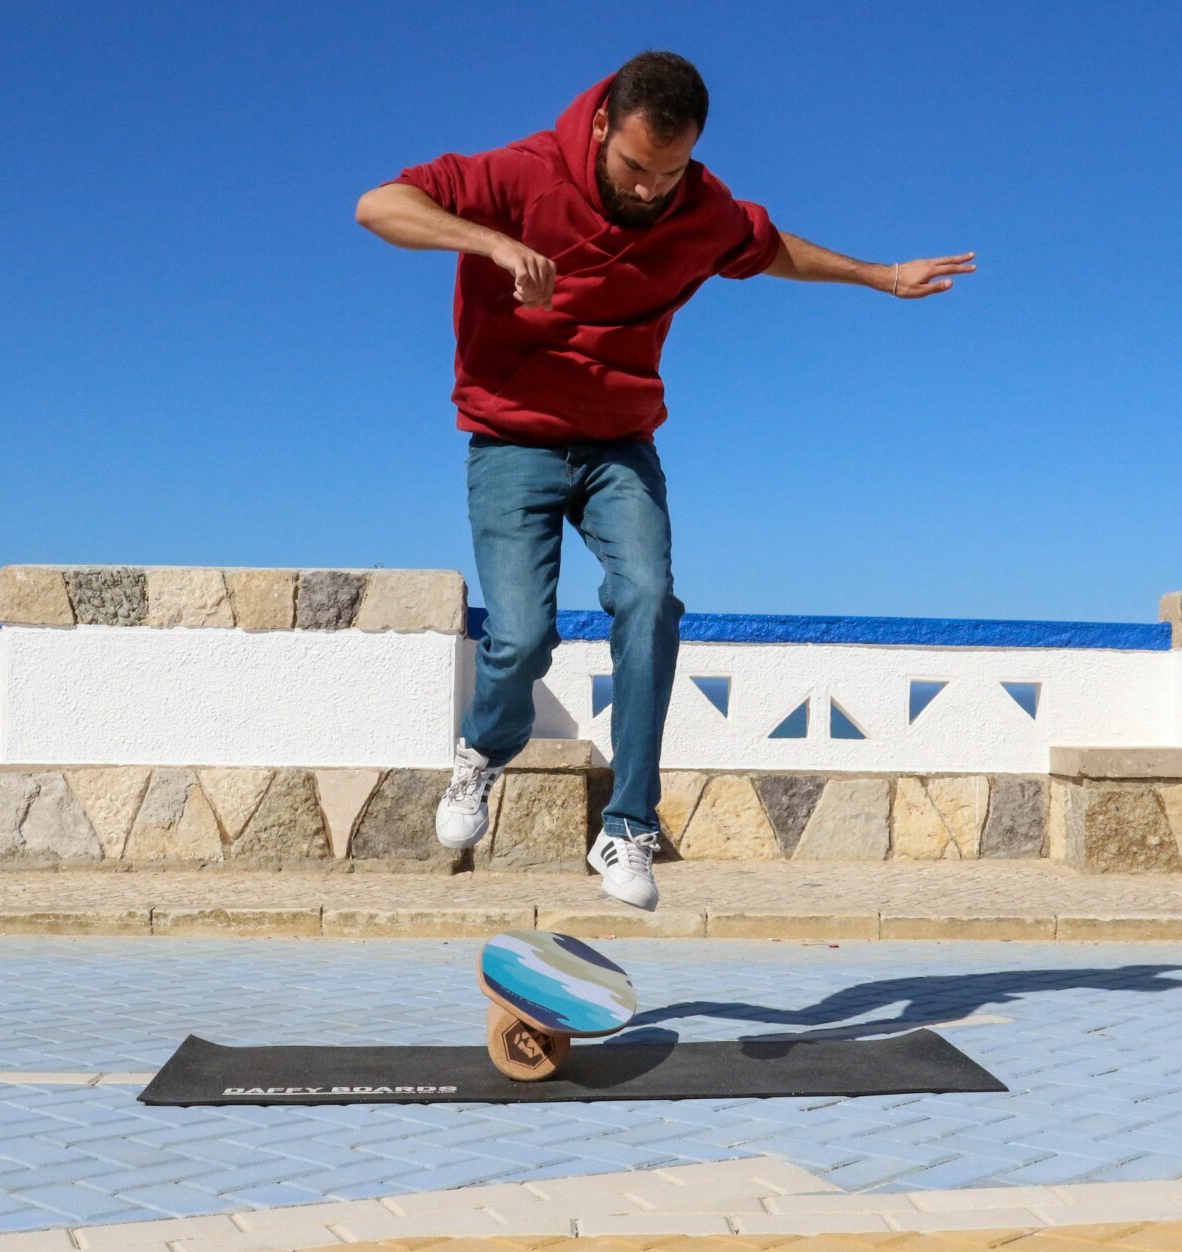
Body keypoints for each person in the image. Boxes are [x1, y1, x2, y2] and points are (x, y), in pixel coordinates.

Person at [356, 51, 971, 910]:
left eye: (670, 173)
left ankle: (628, 826)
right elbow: (378, 204)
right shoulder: (521, 173)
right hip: (512, 440)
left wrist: (879, 276)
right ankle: (482, 754)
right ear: (603, 125)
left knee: (649, 601)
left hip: (619, 445)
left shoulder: (701, 207)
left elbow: (771, 247)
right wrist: (492, 241)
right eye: (636, 168)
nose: (650, 191)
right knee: (523, 637)